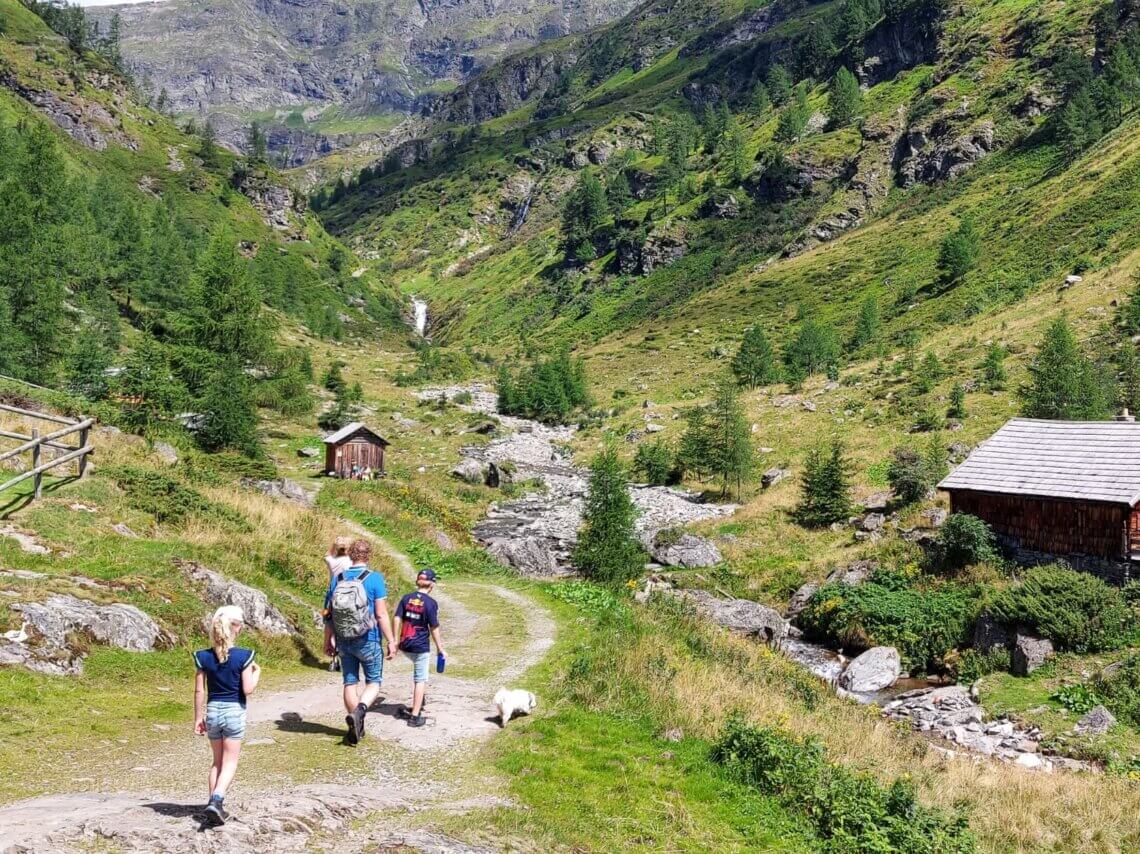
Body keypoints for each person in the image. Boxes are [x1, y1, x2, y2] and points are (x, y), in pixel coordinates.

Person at [193, 605, 261, 827]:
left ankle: (212, 806)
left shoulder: (203, 657)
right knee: (230, 762)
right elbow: (248, 689)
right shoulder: (244, 656)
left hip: (212, 711)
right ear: (236, 628)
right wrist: (257, 673)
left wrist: (197, 717)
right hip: (233, 711)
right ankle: (217, 799)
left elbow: (199, 690)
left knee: (217, 762)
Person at [323, 539, 395, 744]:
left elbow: (328, 614)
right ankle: (360, 711)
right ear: (368, 555)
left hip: (344, 639)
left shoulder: (338, 578)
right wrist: (391, 640)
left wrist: (328, 640)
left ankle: (356, 727)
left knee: (350, 682)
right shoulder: (375, 579)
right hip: (369, 639)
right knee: (373, 682)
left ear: (350, 555)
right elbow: (381, 614)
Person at [393, 568, 446, 728]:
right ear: (432, 585)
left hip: (404, 644)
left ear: (418, 582)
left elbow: (397, 617)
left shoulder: (406, 598)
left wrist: (395, 639)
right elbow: (434, 627)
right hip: (420, 646)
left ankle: (419, 700)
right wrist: (440, 648)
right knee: (420, 679)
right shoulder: (431, 603)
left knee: (418, 673)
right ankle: (415, 716)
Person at [323, 537, 353, 672]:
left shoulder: (332, 561)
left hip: (333, 595)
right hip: (349, 597)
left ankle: (333, 659)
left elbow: (326, 555)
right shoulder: (352, 562)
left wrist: (333, 544)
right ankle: (345, 657)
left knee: (330, 624)